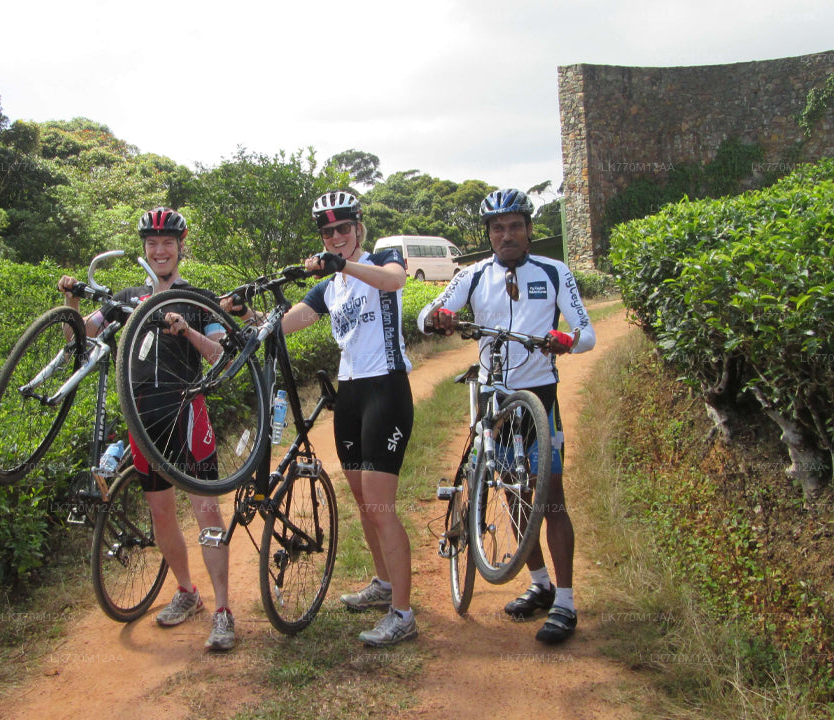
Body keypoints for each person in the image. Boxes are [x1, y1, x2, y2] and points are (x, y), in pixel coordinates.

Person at [224, 191, 418, 647]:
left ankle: (403, 614)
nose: (335, 237)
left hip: (386, 388)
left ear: (358, 229)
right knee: (360, 497)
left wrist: (342, 265)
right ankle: (384, 584)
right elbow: (286, 323)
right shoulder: (329, 287)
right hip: (349, 392)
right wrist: (244, 314)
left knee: (379, 503)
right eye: (327, 232)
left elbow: (393, 282)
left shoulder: (379, 260)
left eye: (343, 228)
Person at [417, 188, 596, 644]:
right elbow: (425, 316)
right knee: (513, 493)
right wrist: (439, 318)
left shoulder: (555, 272)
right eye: (498, 228)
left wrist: (566, 340)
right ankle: (538, 582)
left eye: (515, 225)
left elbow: (587, 332)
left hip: (541, 396)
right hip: (493, 399)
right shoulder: (473, 276)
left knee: (551, 497)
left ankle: (567, 602)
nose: (507, 234)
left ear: (529, 229)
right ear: (490, 235)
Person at [57, 207, 236, 652]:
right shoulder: (127, 297)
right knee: (160, 515)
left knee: (206, 514)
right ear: (145, 249)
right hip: (142, 416)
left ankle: (224, 609)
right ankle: (187, 592)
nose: (160, 251)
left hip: (186, 412)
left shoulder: (198, 298)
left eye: (168, 244)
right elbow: (77, 339)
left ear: (180, 247)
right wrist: (71, 300)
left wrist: (187, 332)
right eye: (153, 244)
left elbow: (222, 355)